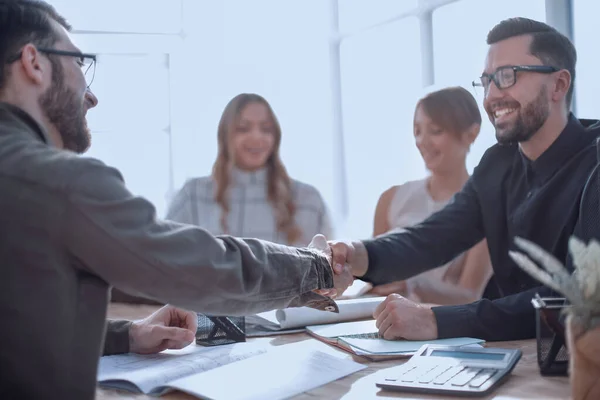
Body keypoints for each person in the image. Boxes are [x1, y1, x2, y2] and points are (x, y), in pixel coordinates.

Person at [0, 1, 353, 398]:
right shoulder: (58, 181)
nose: (91, 94)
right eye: (80, 63)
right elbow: (201, 266)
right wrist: (316, 268)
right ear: (33, 62)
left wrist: (128, 335)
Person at [326, 17, 600, 341]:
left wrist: (435, 320)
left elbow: (580, 297)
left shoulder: (593, 162)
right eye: (487, 81)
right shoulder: (497, 163)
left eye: (507, 76)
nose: (492, 96)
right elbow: (431, 238)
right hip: (512, 357)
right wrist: (356, 254)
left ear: (559, 84)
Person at [369, 87, 492, 305]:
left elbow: (471, 296)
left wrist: (414, 286)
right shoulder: (390, 199)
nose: (422, 141)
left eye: (435, 130)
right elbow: (375, 280)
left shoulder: (485, 206)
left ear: (471, 134)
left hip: (444, 327)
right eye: (417, 131)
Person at [166, 93, 333, 246]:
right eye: (243, 128)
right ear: (225, 136)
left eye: (266, 129)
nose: (256, 137)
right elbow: (165, 260)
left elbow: (329, 272)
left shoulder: (307, 199)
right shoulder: (193, 196)